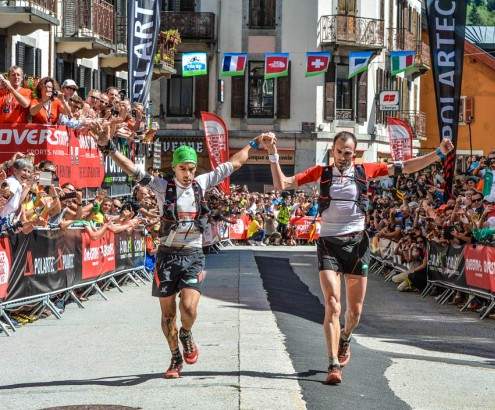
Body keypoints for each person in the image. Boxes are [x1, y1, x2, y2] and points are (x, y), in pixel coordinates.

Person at [262, 130, 454, 384]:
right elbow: (281, 185)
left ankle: (346, 337)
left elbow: (406, 167)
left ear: (356, 153)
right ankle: (332, 364)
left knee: (354, 313)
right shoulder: (322, 173)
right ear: (333, 150)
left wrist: (439, 153)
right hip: (329, 244)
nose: (343, 157)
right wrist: (273, 154)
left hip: (356, 245)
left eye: (348, 153)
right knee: (332, 304)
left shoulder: (366, 171)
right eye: (339, 152)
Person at [88, 120, 265, 379]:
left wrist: (253, 143)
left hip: (193, 255)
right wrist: (108, 146)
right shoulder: (162, 186)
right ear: (174, 168)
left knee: (189, 310)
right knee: (168, 315)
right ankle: (174, 358)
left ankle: (187, 334)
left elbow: (234, 164)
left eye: (191, 168)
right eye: (183, 168)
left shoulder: (202, 183)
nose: (188, 173)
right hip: (167, 256)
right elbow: (132, 169)